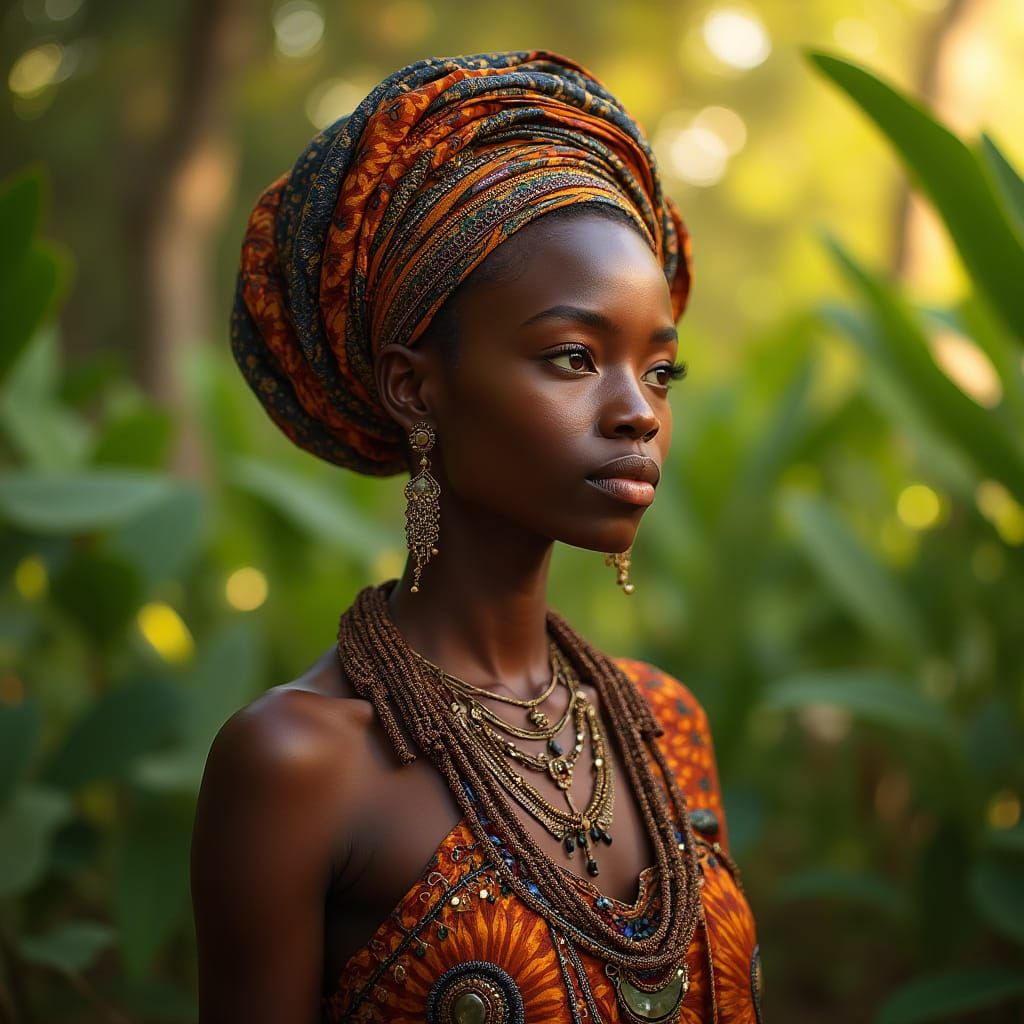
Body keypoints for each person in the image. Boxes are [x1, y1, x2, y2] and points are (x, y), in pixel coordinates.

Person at [190, 50, 762, 1024]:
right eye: (574, 356)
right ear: (416, 387)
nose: (637, 413)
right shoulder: (299, 763)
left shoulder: (667, 725)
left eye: (659, 371)